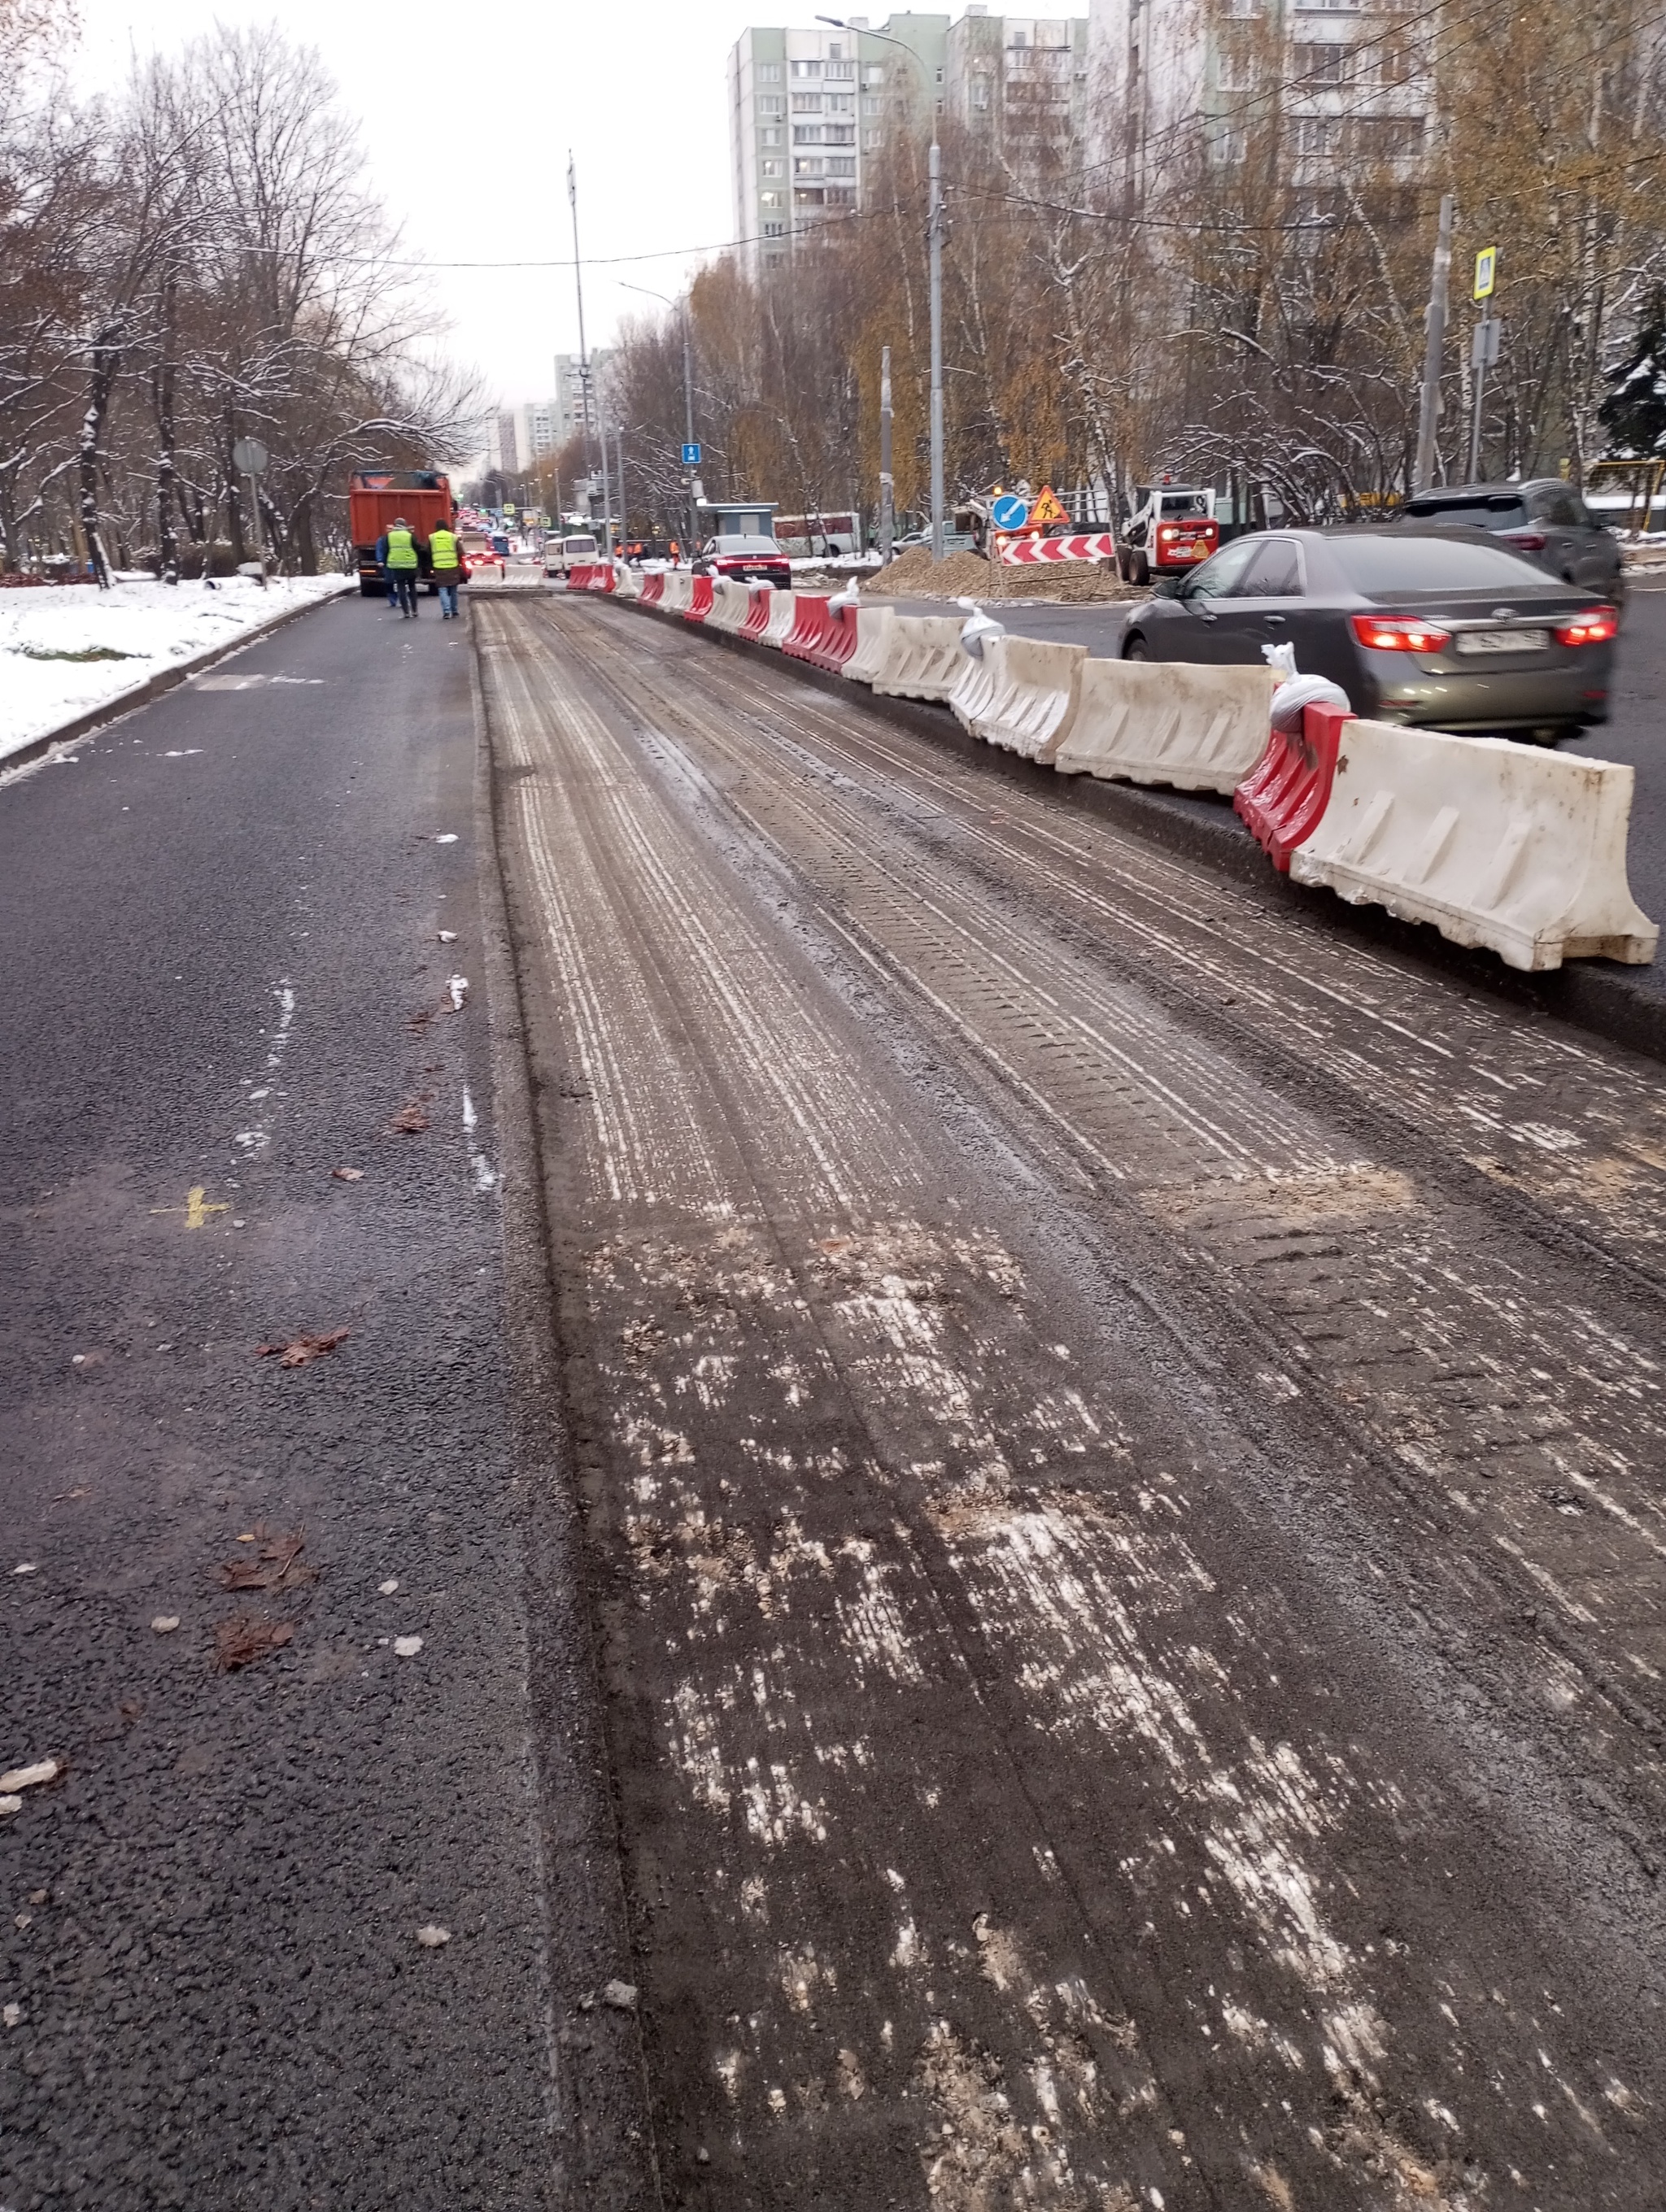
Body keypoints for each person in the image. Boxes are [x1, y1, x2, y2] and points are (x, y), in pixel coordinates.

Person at [383, 515, 421, 617]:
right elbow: (417, 548)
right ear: (405, 525)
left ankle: (406, 612)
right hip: (410, 565)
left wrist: (387, 562)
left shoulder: (389, 536)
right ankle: (415, 610)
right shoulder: (409, 535)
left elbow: (386, 550)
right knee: (412, 587)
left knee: (401, 587)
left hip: (396, 565)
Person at [429, 517, 464, 619]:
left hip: (439, 567)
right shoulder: (453, 537)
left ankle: (446, 611)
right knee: (453, 590)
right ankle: (455, 611)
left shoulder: (432, 537)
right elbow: (461, 551)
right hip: (453, 566)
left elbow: (428, 551)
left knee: (442, 589)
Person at [374, 528, 398, 607]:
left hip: (397, 563)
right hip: (387, 563)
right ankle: (392, 600)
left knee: (400, 582)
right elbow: (379, 550)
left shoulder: (397, 539)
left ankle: (402, 599)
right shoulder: (382, 540)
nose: (390, 530)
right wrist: (380, 560)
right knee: (389, 582)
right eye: (388, 529)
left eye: (391, 529)